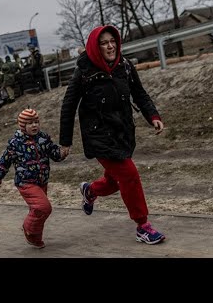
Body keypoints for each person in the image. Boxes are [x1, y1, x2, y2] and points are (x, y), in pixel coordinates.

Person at [59, 25, 166, 245]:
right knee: (129, 175)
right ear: (95, 47)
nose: (110, 46)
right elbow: (68, 106)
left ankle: (90, 191)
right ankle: (142, 226)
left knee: (117, 180)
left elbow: (139, 93)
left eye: (113, 41)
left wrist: (153, 115)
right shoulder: (84, 71)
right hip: (98, 136)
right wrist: (65, 141)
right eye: (104, 42)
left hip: (122, 132)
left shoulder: (124, 66)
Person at [0, 108, 64, 248]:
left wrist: (62, 152)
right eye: (30, 123)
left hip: (42, 181)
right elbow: (4, 160)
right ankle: (28, 228)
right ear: (22, 126)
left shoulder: (43, 138)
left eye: (36, 122)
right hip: (25, 183)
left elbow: (54, 154)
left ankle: (35, 238)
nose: (34, 125)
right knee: (44, 208)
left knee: (37, 211)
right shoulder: (16, 142)